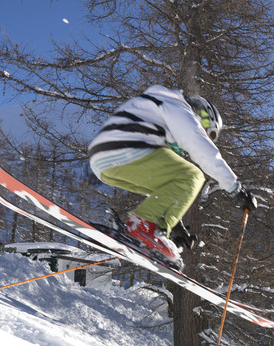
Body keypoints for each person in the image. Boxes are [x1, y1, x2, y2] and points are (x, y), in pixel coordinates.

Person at [87, 85, 256, 267]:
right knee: (193, 176)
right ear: (203, 115)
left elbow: (167, 193)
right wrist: (234, 187)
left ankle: (151, 229)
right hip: (129, 148)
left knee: (168, 184)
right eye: (207, 129)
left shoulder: (156, 106)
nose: (205, 133)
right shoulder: (178, 108)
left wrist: (175, 226)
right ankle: (141, 227)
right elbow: (197, 143)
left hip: (103, 163)